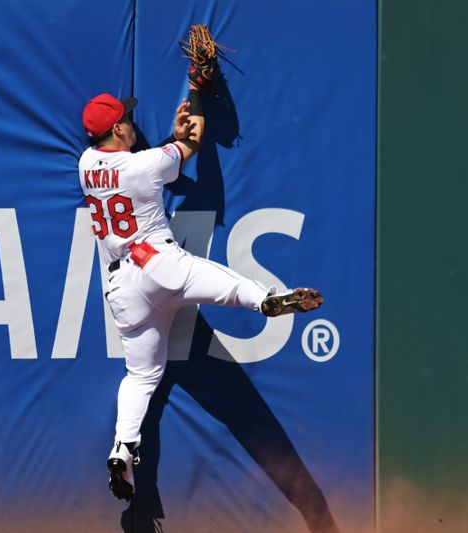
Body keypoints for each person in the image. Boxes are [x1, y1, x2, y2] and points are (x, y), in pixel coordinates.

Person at [78, 73, 323, 501]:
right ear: (118, 130)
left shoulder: (85, 165)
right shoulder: (144, 165)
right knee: (223, 283)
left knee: (140, 376)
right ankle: (264, 300)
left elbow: (138, 166)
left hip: (121, 287)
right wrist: (196, 91)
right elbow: (190, 144)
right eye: (126, 120)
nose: (131, 123)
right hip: (158, 264)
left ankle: (122, 449)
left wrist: (163, 142)